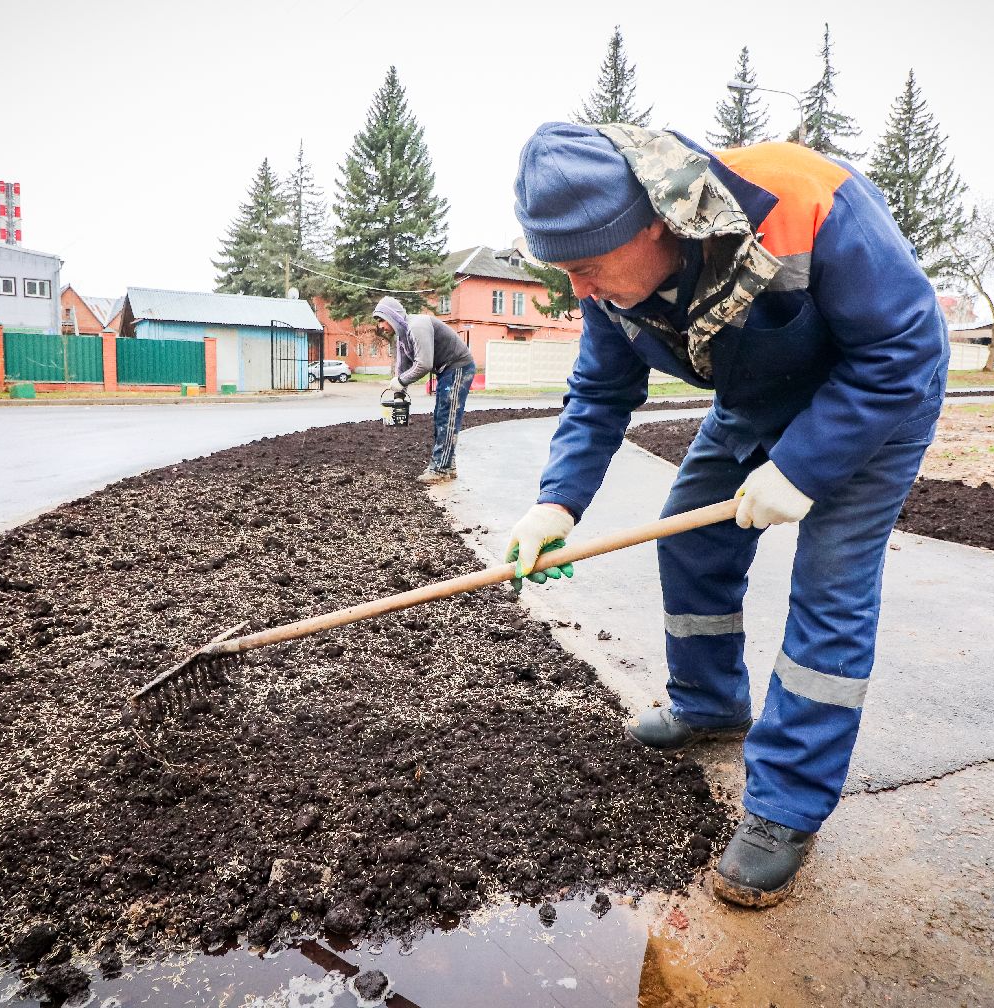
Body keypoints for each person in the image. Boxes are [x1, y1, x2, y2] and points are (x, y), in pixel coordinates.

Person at [503, 122, 949, 908]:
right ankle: (711, 705)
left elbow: (903, 351)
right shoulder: (611, 288)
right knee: (692, 540)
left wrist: (805, 467)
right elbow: (601, 394)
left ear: (654, 225)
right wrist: (554, 504)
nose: (580, 291)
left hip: (875, 401)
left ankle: (785, 808)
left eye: (586, 268)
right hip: (755, 400)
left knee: (830, 588)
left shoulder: (802, 199)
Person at [373, 295, 477, 484]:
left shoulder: (417, 326)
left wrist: (402, 381)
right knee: (440, 416)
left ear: (393, 316)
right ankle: (448, 465)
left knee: (447, 416)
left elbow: (424, 364)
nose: (380, 325)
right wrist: (399, 392)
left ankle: (440, 469)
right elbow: (402, 366)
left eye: (381, 319)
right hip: (446, 370)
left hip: (458, 366)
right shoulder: (402, 335)